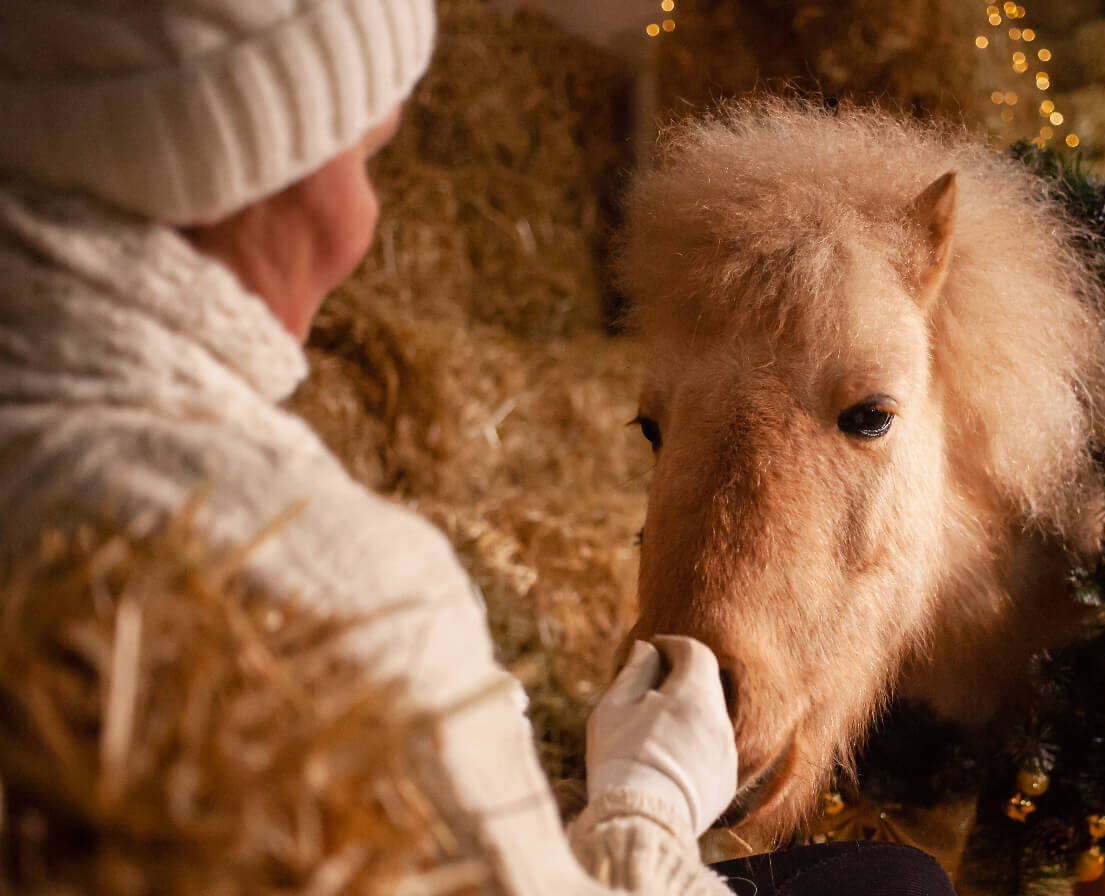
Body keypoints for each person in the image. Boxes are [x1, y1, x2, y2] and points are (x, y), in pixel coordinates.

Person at [0, 2, 955, 894]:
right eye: (366, 158)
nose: (370, 220)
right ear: (250, 169)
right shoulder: (333, 585)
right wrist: (643, 799)